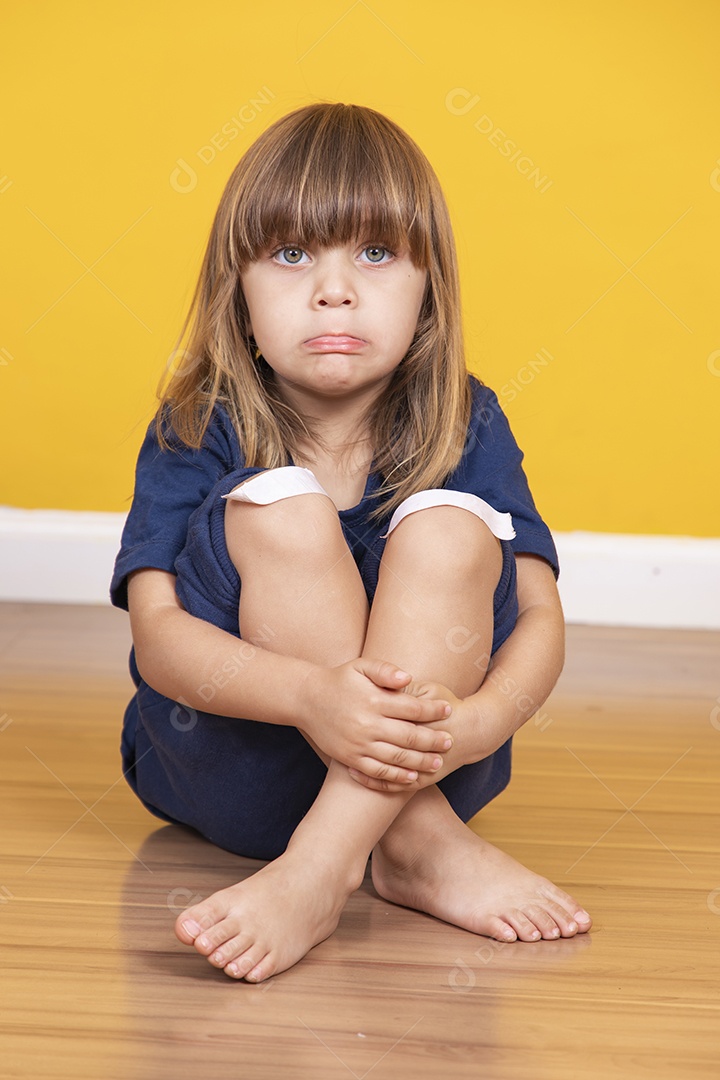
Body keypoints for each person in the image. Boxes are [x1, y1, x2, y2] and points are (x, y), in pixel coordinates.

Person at [111, 101, 592, 984]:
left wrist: (480, 723)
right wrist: (309, 697)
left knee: (451, 525)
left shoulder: (466, 417)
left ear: (428, 287)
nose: (335, 289)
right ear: (238, 287)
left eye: (375, 253)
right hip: (239, 768)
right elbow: (158, 637)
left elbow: (538, 613)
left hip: (438, 765)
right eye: (292, 255)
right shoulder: (197, 421)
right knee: (281, 510)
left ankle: (338, 860)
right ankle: (410, 845)